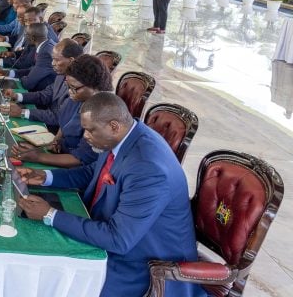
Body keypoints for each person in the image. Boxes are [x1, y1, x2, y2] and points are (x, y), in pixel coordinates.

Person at [17, 92, 202, 297]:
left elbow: (118, 240)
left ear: (114, 125)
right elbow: (92, 173)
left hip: (143, 263)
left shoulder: (148, 168)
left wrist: (50, 214)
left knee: (48, 272)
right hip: (117, 232)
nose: (85, 136)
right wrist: (45, 177)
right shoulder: (122, 137)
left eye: (90, 130)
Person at [12, 54, 113, 167]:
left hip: (74, 166)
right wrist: (56, 141)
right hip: (61, 151)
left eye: (74, 88)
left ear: (94, 86)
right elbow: (63, 122)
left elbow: (80, 159)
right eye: (67, 86)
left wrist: (38, 157)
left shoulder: (102, 114)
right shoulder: (76, 97)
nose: (69, 91)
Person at [5, 39, 84, 133]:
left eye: (57, 60)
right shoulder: (61, 75)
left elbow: (58, 116)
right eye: (52, 59)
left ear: (71, 60)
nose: (52, 63)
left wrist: (22, 112)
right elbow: (45, 95)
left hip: (54, 131)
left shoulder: (79, 86)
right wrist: (17, 96)